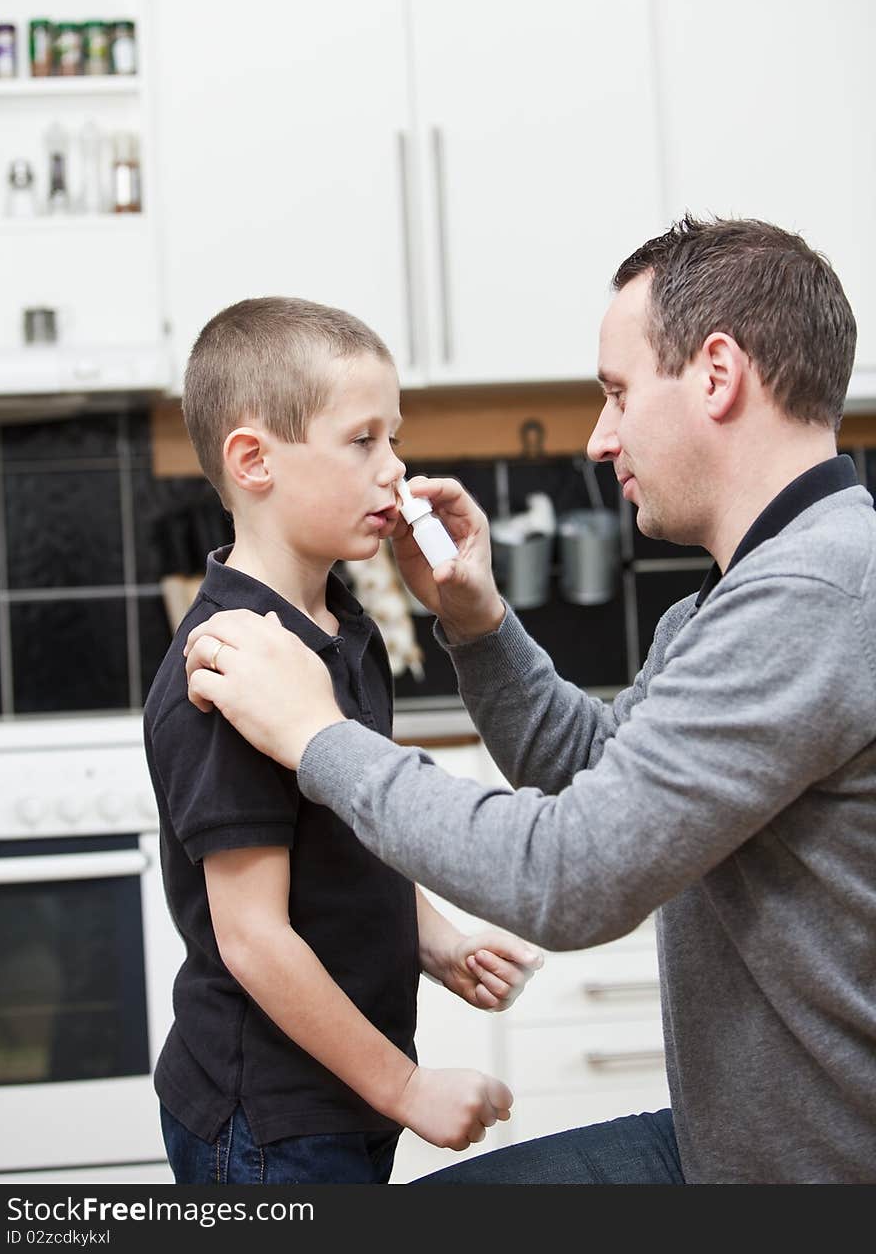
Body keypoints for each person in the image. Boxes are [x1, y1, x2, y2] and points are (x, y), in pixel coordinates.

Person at [182, 218, 876, 1185]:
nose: (599, 437)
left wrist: (318, 735)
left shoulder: (817, 599)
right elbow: (606, 777)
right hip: (737, 1149)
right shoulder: (742, 598)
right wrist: (477, 621)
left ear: (717, 375)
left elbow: (573, 869)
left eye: (618, 394)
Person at [144, 295, 543, 1186]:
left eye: (392, 439)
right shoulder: (231, 669)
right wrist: (406, 1088)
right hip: (269, 1117)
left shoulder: (340, 628)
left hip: (338, 1091)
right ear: (253, 460)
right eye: (363, 441)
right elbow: (253, 940)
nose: (395, 472)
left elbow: (348, 838)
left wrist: (434, 939)